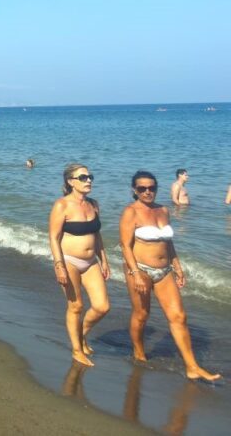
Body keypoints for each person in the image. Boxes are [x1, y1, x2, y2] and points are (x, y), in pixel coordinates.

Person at [120, 171, 220, 381]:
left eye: (152, 188)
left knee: (179, 317)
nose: (148, 192)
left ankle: (192, 366)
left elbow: (168, 243)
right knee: (142, 314)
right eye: (142, 188)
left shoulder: (163, 210)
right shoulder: (131, 212)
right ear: (134, 190)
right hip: (140, 269)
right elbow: (126, 246)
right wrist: (136, 273)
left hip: (165, 271)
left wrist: (178, 266)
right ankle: (139, 352)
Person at [48, 163, 111, 367]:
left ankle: (80, 334)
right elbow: (54, 237)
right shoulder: (62, 205)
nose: (89, 180)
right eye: (83, 178)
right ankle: (76, 350)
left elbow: (97, 234)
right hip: (69, 261)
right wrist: (59, 265)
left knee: (102, 307)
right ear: (70, 182)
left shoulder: (93, 204)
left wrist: (104, 260)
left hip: (91, 261)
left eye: (90, 176)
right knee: (76, 306)